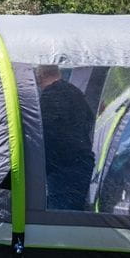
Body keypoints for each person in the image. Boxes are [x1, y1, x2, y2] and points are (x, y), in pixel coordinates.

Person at [36, 64, 95, 210]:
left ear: (40, 75)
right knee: (74, 212)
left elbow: (44, 134)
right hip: (82, 164)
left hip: (62, 169)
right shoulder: (75, 92)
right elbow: (89, 121)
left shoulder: (49, 97)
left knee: (60, 215)